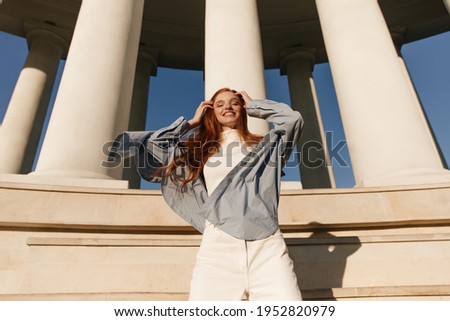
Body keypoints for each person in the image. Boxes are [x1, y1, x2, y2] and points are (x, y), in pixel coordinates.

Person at [110, 88, 303, 300]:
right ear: (211, 111)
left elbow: (292, 120)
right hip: (218, 245)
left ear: (243, 108)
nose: (227, 107)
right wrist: (191, 123)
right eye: (219, 104)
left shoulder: (267, 146)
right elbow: (155, 144)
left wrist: (255, 105)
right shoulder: (199, 149)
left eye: (234, 103)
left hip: (267, 246)